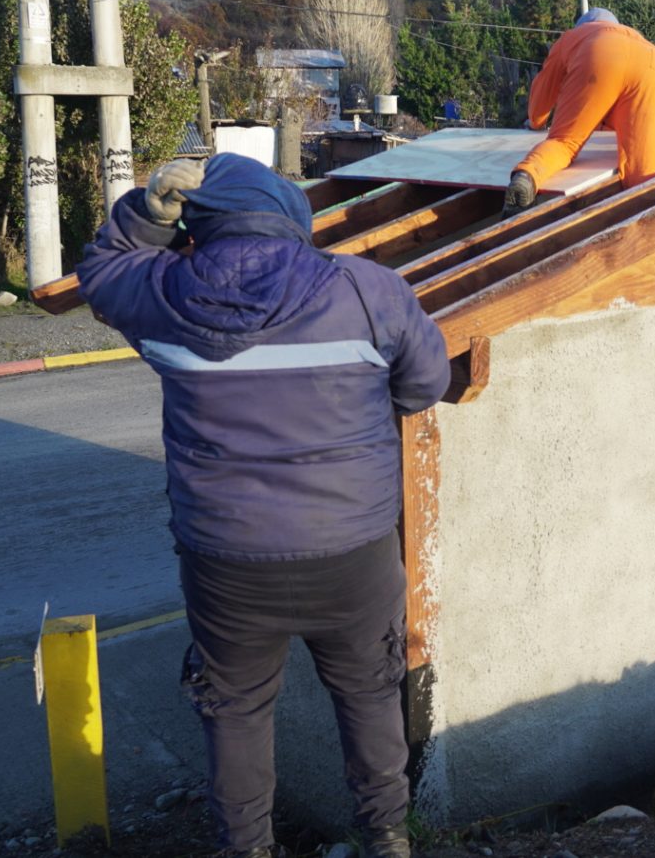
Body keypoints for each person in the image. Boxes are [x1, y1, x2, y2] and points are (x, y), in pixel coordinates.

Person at [76, 153, 451, 858]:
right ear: (293, 218)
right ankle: (388, 836)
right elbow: (424, 383)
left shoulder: (163, 295)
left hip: (226, 563)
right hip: (354, 553)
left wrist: (147, 214)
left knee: (236, 710)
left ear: (199, 224)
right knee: (369, 695)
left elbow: (100, 274)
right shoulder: (367, 290)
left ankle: (248, 847)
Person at [504, 7, 655, 215]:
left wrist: (535, 122)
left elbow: (543, 90)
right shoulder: (636, 38)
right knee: (645, 177)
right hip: (654, 65)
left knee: (565, 143)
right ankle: (642, 221)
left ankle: (527, 176)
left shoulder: (574, 37)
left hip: (599, 53)